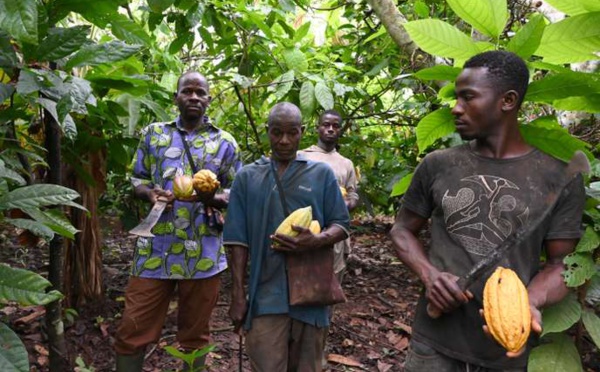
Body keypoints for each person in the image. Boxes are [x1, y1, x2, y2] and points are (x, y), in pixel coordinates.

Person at [389, 50, 585, 371]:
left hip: (506, 349)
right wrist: (431, 276)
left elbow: (561, 265)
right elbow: (401, 230)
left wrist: (528, 302)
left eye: (468, 98)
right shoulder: (438, 164)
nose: (456, 108)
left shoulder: (558, 178)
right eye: (456, 98)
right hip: (434, 344)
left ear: (507, 101)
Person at [115, 71, 242, 371]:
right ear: (176, 97)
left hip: (203, 252)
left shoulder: (225, 142)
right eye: (188, 91)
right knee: (132, 329)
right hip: (155, 248)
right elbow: (137, 179)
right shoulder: (154, 134)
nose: (194, 97)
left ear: (209, 99)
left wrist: (211, 198)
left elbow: (238, 193)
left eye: (201, 92)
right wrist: (149, 193)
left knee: (196, 335)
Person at [223, 102, 350, 371]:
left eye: (292, 133)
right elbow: (236, 240)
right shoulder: (247, 177)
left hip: (311, 295)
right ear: (267, 131)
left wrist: (316, 240)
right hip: (265, 295)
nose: (284, 140)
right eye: (276, 132)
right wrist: (238, 294)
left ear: (302, 132)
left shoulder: (321, 174)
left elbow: (341, 224)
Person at [298, 109, 359, 283]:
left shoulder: (346, 163)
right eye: (326, 125)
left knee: (329, 283)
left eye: (335, 126)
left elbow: (352, 193)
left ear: (340, 130)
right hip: (306, 225)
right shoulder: (301, 156)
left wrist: (346, 204)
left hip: (334, 229)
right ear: (318, 128)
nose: (330, 129)